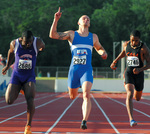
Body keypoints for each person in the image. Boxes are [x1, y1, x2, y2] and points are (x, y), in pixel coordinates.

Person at [49, 7, 107, 129]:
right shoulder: (71, 34)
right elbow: (53, 35)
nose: (86, 19)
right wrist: (56, 20)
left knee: (86, 94)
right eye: (83, 18)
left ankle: (84, 121)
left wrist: (103, 53)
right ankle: (74, 90)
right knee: (72, 96)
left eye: (88, 18)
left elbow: (99, 48)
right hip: (74, 71)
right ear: (79, 22)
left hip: (86, 70)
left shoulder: (94, 37)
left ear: (89, 23)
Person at [2, 30, 45, 134]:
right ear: (21, 40)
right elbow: (10, 52)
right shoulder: (14, 43)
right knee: (9, 100)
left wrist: (41, 48)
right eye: (26, 42)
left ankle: (28, 126)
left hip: (29, 76)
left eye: (30, 42)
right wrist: (8, 65)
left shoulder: (36, 42)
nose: (28, 44)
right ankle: (21, 88)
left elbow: (43, 46)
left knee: (30, 99)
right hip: (17, 76)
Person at [110, 30, 150, 127]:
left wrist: (140, 69)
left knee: (137, 98)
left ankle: (135, 88)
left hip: (139, 74)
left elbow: (149, 63)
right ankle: (131, 119)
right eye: (132, 40)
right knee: (129, 93)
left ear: (139, 40)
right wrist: (115, 61)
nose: (133, 43)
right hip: (129, 73)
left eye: (136, 41)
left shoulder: (143, 48)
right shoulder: (126, 44)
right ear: (130, 39)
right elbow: (124, 53)